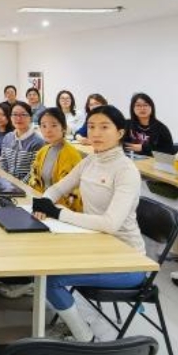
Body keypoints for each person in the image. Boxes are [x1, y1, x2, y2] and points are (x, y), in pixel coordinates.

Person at [30, 105, 147, 341]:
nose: (96, 133)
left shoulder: (126, 170)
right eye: (91, 126)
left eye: (104, 127)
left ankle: (85, 337)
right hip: (95, 245)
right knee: (41, 261)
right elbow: (59, 187)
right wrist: (44, 202)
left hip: (128, 260)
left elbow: (110, 224)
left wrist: (59, 213)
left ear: (120, 133)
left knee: (50, 279)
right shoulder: (91, 160)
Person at [0, 107, 85, 299]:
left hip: (62, 212)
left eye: (53, 125)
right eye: (43, 126)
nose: (48, 130)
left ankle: (30, 281)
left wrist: (47, 208)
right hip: (44, 206)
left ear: (64, 127)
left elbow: (71, 194)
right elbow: (34, 181)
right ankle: (22, 277)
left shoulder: (71, 154)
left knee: (22, 231)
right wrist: (35, 203)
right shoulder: (44, 150)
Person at [0, 101, 45, 180]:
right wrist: (4, 181)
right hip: (7, 183)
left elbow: (34, 172)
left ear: (30, 117)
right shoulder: (7, 137)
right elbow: (3, 162)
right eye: (15, 114)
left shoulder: (38, 141)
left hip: (26, 185)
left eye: (23, 114)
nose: (18, 118)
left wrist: (18, 185)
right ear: (10, 117)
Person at [123, 92, 175, 156]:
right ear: (132, 108)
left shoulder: (161, 128)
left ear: (151, 107)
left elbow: (169, 151)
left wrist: (143, 148)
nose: (142, 108)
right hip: (129, 159)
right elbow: (119, 144)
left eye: (145, 105)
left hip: (152, 160)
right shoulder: (126, 124)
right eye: (138, 105)